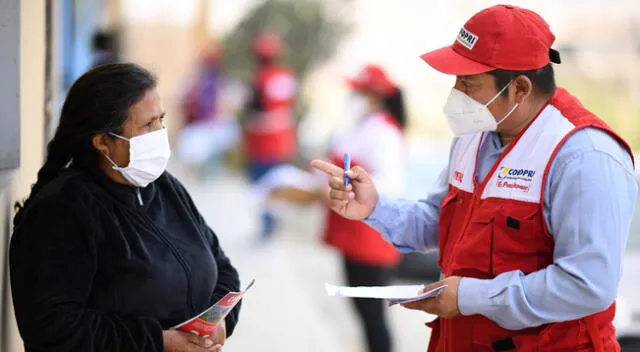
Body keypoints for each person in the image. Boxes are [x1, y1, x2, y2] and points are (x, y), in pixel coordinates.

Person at [312, 5, 637, 351]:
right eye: (456, 81)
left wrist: (471, 297)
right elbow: (441, 222)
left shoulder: (585, 157)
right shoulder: (475, 134)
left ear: (519, 90)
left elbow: (587, 285)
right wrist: (375, 207)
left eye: (469, 83)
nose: (457, 94)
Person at [10, 63, 242, 352]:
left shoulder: (166, 187)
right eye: (147, 125)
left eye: (161, 119)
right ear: (103, 142)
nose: (160, 132)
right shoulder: (63, 210)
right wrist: (159, 343)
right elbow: (51, 326)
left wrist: (219, 323)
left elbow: (222, 267)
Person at [270, 64, 407, 352]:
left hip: (371, 235)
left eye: (358, 91)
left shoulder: (384, 132)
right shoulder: (362, 127)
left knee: (372, 315)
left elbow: (390, 183)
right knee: (361, 310)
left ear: (375, 96)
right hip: (352, 233)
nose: (352, 96)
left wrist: (348, 186)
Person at [241, 31, 298, 239]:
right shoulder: (288, 76)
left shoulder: (259, 79)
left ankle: (268, 227)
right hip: (283, 142)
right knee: (277, 185)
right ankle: (272, 224)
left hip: (263, 144)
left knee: (264, 188)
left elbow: (253, 111)